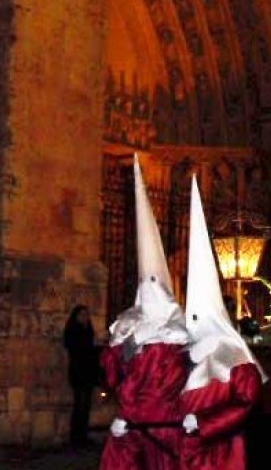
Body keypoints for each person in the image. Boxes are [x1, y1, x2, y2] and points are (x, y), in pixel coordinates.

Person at [101, 155, 190, 470]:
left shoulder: (177, 337)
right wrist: (120, 345)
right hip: (133, 422)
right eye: (145, 285)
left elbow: (187, 378)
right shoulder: (128, 327)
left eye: (155, 284)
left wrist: (194, 413)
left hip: (164, 425)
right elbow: (115, 376)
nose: (149, 288)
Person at [179, 176, 265, 470]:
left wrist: (204, 423)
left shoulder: (235, 355)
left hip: (220, 449)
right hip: (188, 446)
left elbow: (244, 401)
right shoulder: (187, 352)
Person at [64, 304, 98, 446]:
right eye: (82, 315)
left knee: (86, 405)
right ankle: (76, 436)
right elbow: (75, 348)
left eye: (86, 315)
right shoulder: (73, 331)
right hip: (79, 371)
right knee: (80, 404)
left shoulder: (88, 330)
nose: (85, 318)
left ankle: (82, 434)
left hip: (88, 372)